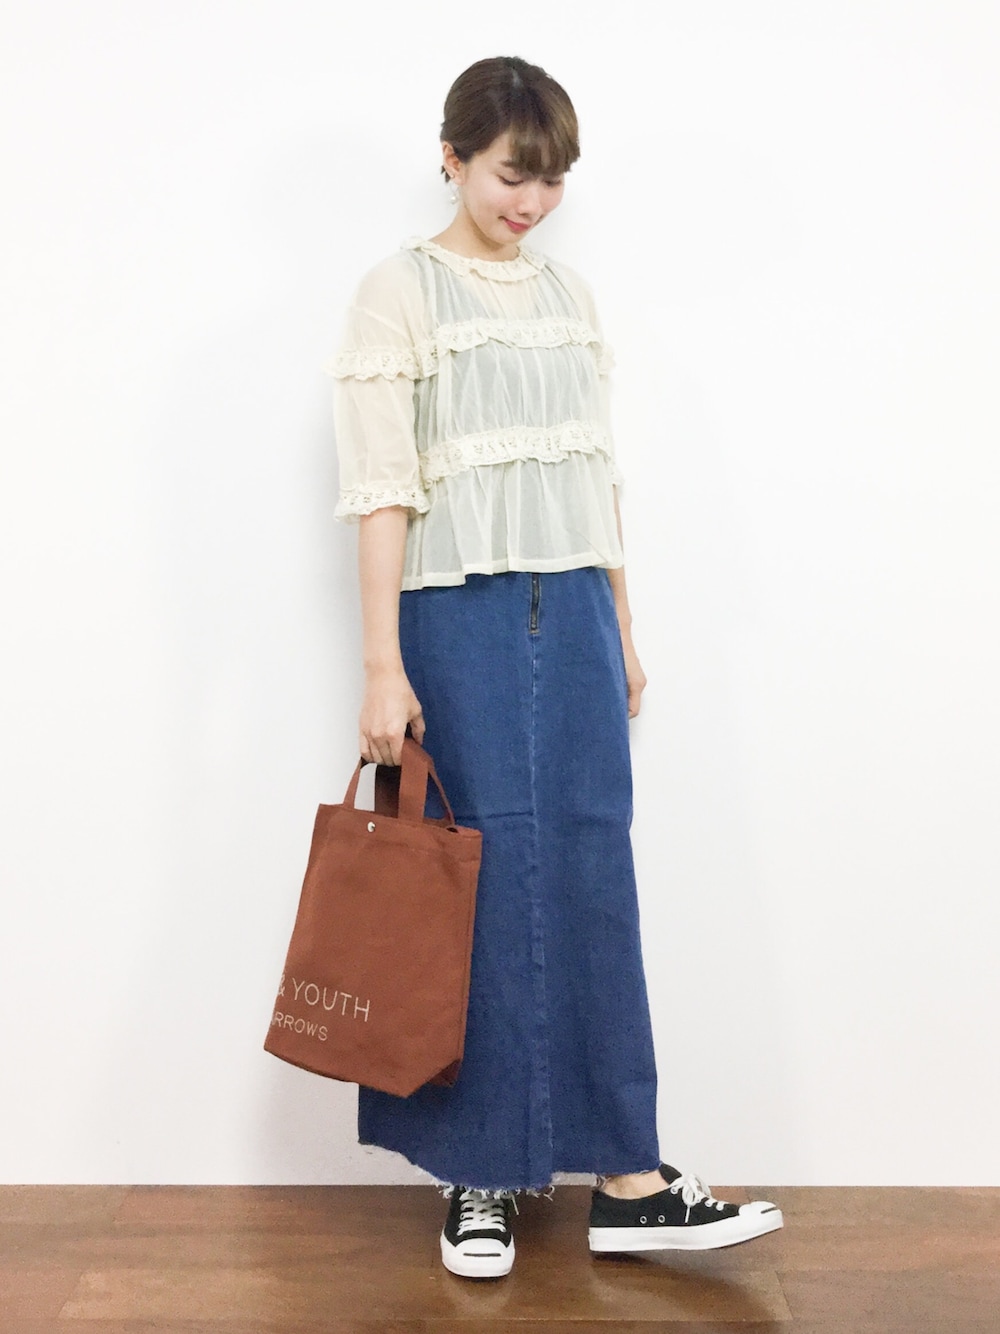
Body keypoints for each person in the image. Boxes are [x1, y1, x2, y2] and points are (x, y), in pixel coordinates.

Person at [328, 55, 783, 1280]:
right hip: (458, 613)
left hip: (573, 605)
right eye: (508, 175)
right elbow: (380, 489)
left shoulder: (569, 294)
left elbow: (593, 470)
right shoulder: (397, 292)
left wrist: (620, 623)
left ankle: (627, 1175)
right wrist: (380, 664)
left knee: (589, 865)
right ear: (451, 157)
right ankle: (479, 1172)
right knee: (470, 877)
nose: (529, 202)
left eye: (550, 180)